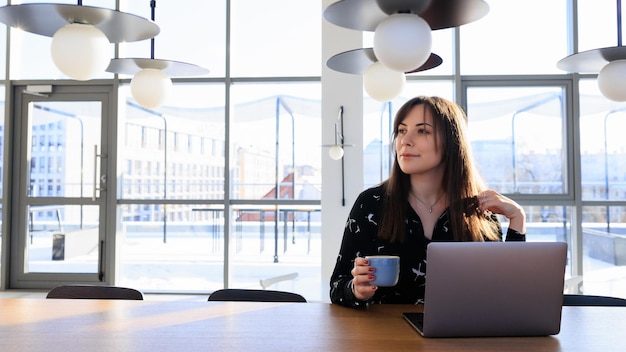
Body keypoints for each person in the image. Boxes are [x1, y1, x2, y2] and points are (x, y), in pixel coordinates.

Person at [330, 96, 526, 308]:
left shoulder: (478, 211)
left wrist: (517, 219)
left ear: (451, 141)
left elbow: (507, 294)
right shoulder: (371, 203)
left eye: (422, 131)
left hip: (461, 337)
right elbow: (337, 287)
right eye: (402, 130)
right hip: (387, 338)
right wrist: (356, 290)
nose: (405, 140)